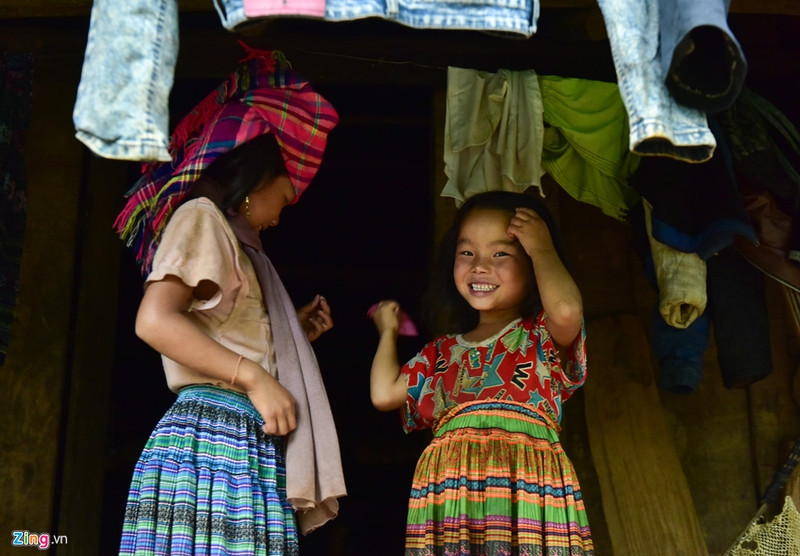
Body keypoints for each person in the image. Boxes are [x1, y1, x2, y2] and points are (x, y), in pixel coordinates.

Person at [114, 46, 346, 556]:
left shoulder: (236, 245)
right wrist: (256, 376)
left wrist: (289, 335)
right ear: (258, 178)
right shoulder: (203, 217)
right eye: (284, 199)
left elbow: (218, 327)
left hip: (238, 440)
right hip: (212, 437)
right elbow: (154, 320)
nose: (280, 218)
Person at [369, 190, 594, 555]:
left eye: (501, 253)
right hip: (456, 494)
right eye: (467, 252)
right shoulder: (441, 352)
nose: (480, 266)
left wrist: (542, 249)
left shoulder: (540, 337)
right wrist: (388, 332)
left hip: (526, 484)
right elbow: (384, 394)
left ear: (532, 265)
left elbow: (567, 309)